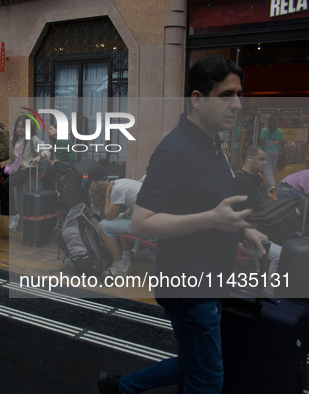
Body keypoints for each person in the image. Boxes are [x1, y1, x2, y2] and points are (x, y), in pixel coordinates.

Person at [98, 55, 267, 394]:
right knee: (207, 379)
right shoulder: (175, 151)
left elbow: (207, 205)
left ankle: (123, 387)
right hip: (190, 286)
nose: (237, 104)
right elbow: (143, 224)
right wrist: (212, 219)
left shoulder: (213, 146)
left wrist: (240, 227)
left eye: (239, 95)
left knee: (196, 363)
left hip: (214, 278)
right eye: (226, 95)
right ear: (197, 99)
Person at [0, 115, 51, 230]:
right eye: (18, 127)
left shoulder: (33, 139)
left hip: (26, 168)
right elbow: (6, 151)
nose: (20, 129)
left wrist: (39, 156)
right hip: (14, 167)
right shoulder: (13, 138)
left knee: (6, 184)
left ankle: (13, 214)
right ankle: (0, 200)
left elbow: (46, 151)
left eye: (23, 127)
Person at [89, 178, 142, 277]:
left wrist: (108, 193)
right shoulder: (122, 182)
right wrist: (126, 212)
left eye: (104, 203)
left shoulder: (116, 190)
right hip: (153, 219)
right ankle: (126, 261)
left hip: (147, 225)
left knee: (102, 226)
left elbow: (108, 216)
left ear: (104, 195)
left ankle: (120, 266)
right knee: (120, 218)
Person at [41, 123, 77, 191]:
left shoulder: (60, 140)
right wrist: (52, 162)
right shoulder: (60, 139)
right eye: (48, 130)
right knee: (47, 170)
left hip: (66, 164)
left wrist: (52, 162)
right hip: (68, 163)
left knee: (44, 172)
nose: (49, 131)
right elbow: (60, 158)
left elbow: (61, 158)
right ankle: (51, 191)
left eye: (51, 129)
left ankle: (52, 191)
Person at [259, 116, 284, 192]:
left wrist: (260, 148)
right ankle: (267, 185)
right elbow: (283, 141)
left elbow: (262, 140)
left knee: (267, 168)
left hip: (267, 150)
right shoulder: (279, 131)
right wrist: (281, 148)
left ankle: (272, 184)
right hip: (276, 151)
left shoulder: (264, 130)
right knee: (272, 168)